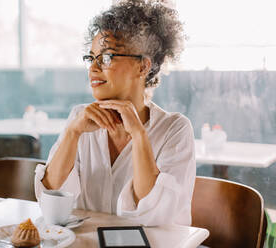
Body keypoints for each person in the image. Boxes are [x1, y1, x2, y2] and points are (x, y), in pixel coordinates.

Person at [34, 0, 195, 226]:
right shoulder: (79, 119)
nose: (93, 68)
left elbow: (153, 216)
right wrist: (72, 133)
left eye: (107, 57)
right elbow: (50, 203)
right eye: (91, 58)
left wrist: (139, 135)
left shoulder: (175, 129)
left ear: (142, 67)